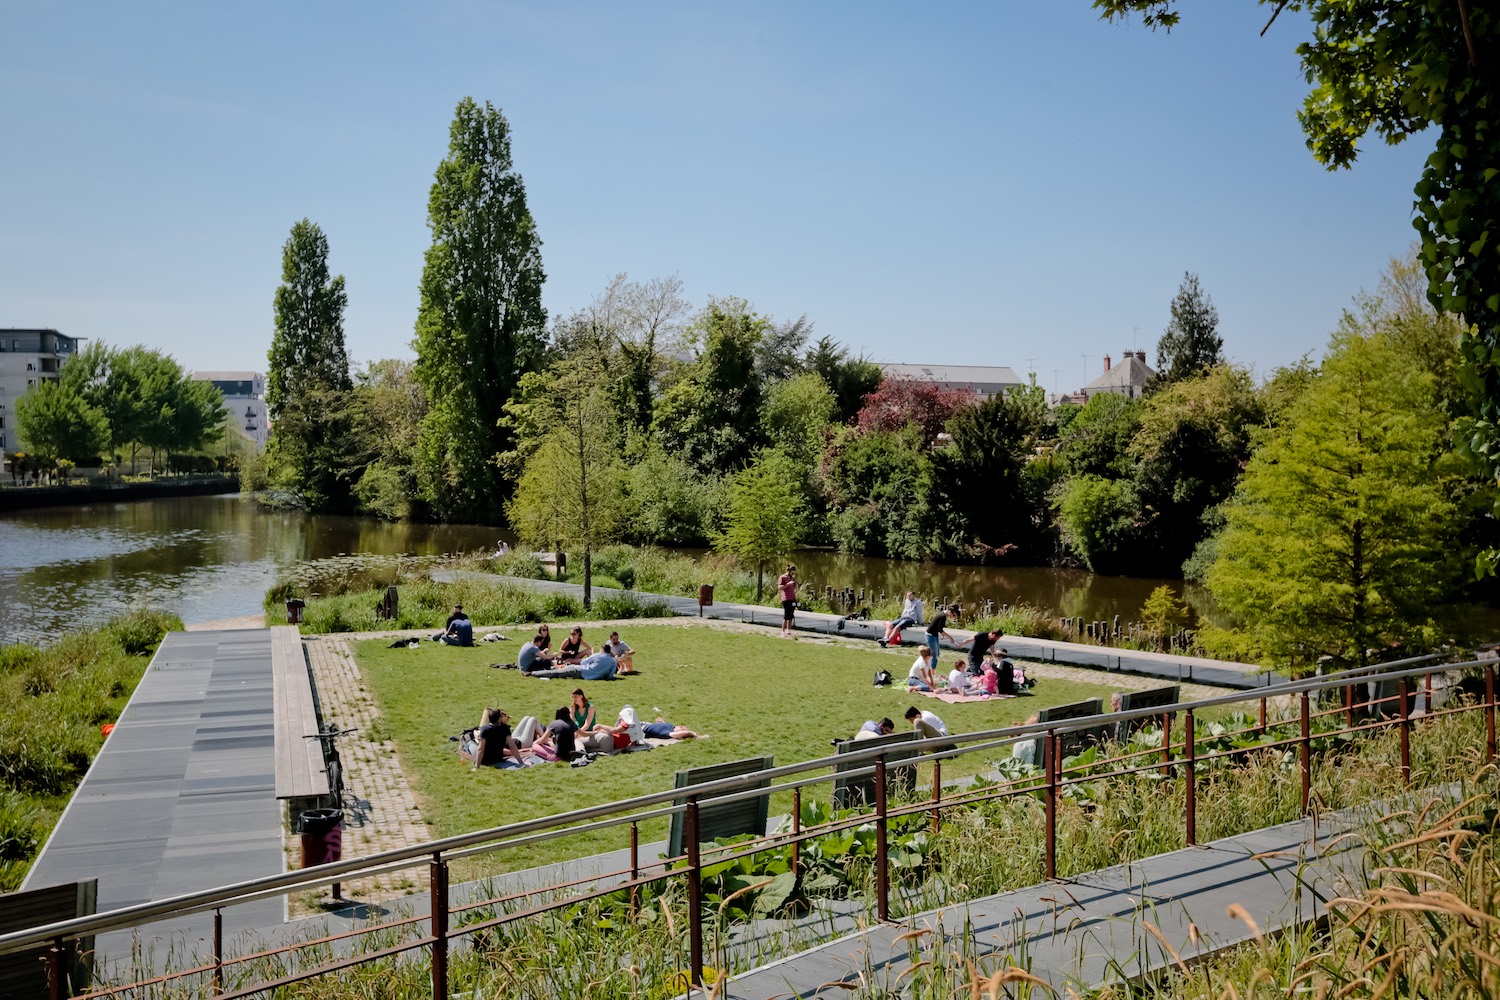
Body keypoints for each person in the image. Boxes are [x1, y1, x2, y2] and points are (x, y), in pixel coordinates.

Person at [778, 564, 798, 637]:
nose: (793, 574)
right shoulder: (782, 577)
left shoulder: (792, 578)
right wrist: (788, 584)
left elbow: (794, 587)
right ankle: (782, 631)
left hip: (792, 598)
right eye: (792, 572)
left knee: (791, 615)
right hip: (786, 598)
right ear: (789, 571)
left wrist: (795, 584)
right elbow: (780, 587)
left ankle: (788, 630)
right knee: (786, 615)